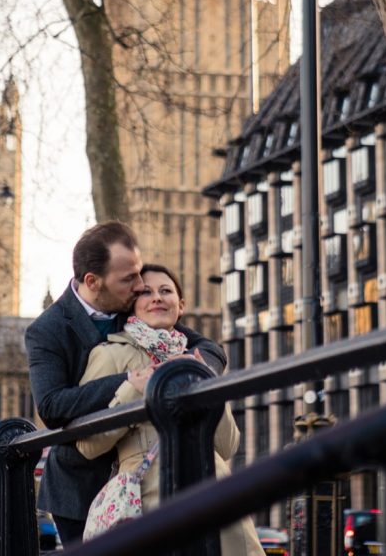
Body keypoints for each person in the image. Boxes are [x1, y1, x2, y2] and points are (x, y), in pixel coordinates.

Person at [25, 221, 226, 546]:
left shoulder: (133, 307)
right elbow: (51, 406)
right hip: (83, 486)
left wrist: (197, 371)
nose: (140, 285)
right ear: (93, 281)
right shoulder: (46, 330)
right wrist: (130, 380)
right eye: (129, 278)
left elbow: (208, 348)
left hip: (151, 475)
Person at [77, 263, 262, 555]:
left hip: (215, 497)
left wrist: (207, 385)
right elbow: (89, 445)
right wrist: (133, 391)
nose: (157, 298)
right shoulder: (109, 355)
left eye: (166, 291)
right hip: (149, 501)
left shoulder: (198, 359)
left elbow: (226, 446)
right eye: (146, 292)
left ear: (181, 305)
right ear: (132, 304)